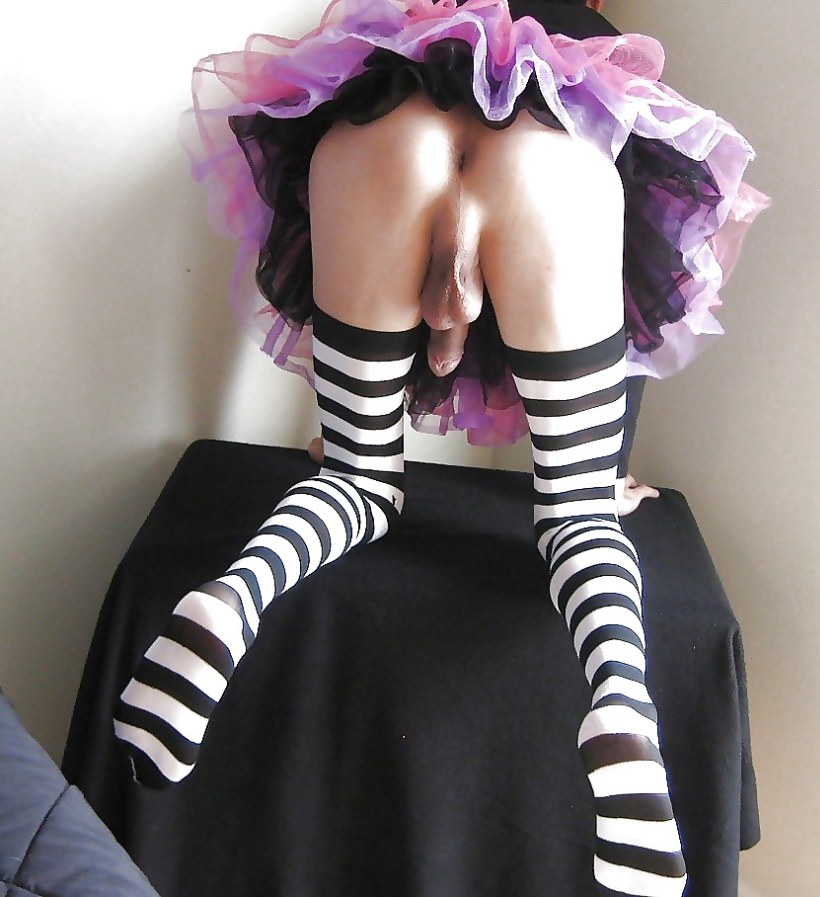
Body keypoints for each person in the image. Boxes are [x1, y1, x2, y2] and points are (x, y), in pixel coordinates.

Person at [115, 3, 767, 895]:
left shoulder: (384, 45)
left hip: (385, 136)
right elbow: (631, 329)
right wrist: (605, 467)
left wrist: (345, 425)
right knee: (575, 510)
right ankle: (620, 695)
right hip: (550, 159)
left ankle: (230, 598)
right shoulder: (598, 55)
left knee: (356, 476)